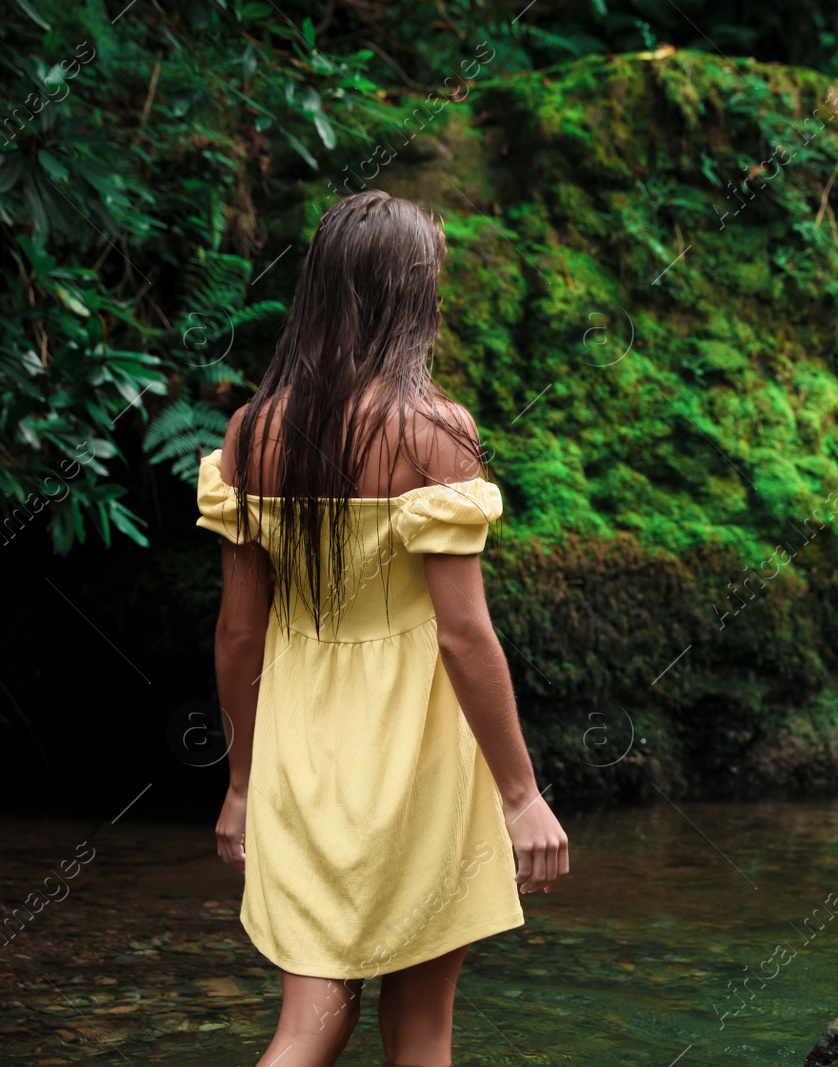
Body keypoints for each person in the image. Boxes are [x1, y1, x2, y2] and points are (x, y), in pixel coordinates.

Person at [196, 188, 569, 1066]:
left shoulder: (252, 433)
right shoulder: (436, 432)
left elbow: (239, 635)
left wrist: (242, 782)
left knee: (307, 1024)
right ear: (413, 295)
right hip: (418, 750)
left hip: (299, 750)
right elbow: (462, 635)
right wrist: (521, 796)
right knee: (420, 1032)